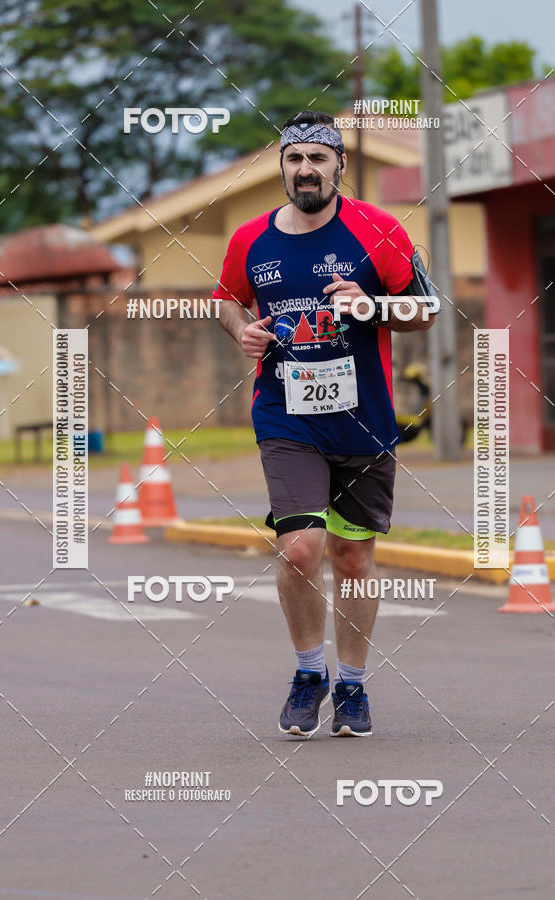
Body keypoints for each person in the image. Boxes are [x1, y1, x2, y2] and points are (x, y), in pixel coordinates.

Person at [215, 110, 437, 737]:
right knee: (300, 546)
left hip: (363, 419)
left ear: (340, 164)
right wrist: (243, 329)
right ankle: (309, 672)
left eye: (317, 158)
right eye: (294, 159)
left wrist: (370, 305)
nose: (305, 169)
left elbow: (426, 308)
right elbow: (226, 300)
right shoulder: (251, 239)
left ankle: (355, 686)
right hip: (285, 415)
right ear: (281, 168)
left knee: (354, 558)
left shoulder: (380, 230)